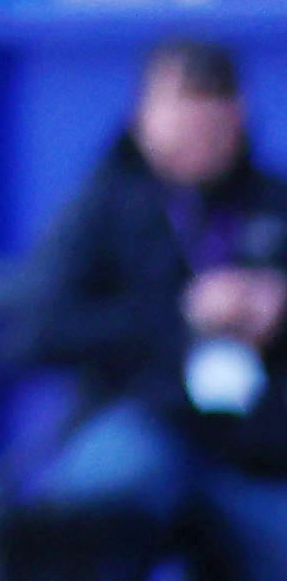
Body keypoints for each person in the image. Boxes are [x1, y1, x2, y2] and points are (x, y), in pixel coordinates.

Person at [18, 42, 287, 578]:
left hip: (256, 444)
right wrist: (182, 314)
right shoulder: (106, 204)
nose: (197, 129)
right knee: (111, 483)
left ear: (239, 114)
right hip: (142, 417)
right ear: (143, 117)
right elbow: (39, 329)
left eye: (212, 111)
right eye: (181, 108)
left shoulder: (272, 204)